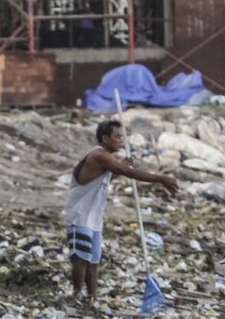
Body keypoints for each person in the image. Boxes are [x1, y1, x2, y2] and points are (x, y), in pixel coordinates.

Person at [65, 119, 179, 299]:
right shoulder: (98, 155)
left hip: (94, 216)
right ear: (104, 138)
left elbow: (108, 177)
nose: (121, 141)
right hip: (80, 215)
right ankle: (77, 294)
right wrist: (160, 178)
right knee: (81, 257)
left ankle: (92, 297)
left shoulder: (106, 160)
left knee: (93, 260)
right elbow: (130, 173)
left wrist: (123, 167)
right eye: (117, 137)